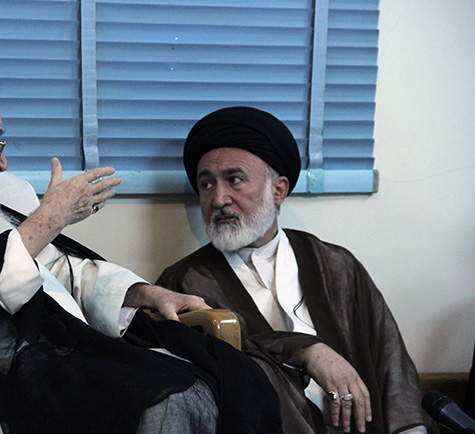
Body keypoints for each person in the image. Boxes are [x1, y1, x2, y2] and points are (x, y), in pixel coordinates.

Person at [0, 49, 282, 434]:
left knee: (238, 375)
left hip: (54, 354)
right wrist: (50, 217)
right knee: (171, 398)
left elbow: (55, 267)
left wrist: (145, 293)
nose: (3, 164)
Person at [156, 106, 436, 434]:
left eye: (234, 180)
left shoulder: (335, 265)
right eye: (206, 184)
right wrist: (305, 350)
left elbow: (391, 363)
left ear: (278, 190)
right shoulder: (183, 283)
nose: (218, 199)